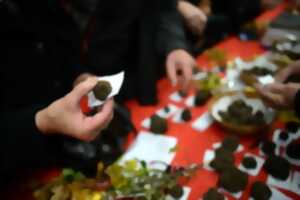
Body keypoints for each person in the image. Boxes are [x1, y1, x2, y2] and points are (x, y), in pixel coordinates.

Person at [0, 0, 194, 181]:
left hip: (119, 79)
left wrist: (78, 75)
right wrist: (42, 121)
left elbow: (54, 39)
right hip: (18, 155)